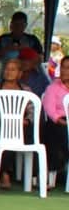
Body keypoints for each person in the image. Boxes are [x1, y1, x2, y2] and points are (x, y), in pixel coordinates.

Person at [0, 58, 37, 189]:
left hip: (21, 126)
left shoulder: (26, 90)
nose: (9, 72)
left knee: (34, 133)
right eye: (7, 69)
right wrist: (6, 121)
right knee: (8, 132)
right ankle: (5, 174)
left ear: (20, 73)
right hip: (0, 125)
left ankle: (34, 176)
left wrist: (26, 121)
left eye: (13, 69)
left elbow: (32, 110)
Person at [41, 56, 69, 188]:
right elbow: (49, 109)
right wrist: (62, 121)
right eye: (63, 67)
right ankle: (53, 173)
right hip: (58, 122)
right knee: (55, 132)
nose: (64, 71)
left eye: (68, 68)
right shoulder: (53, 87)